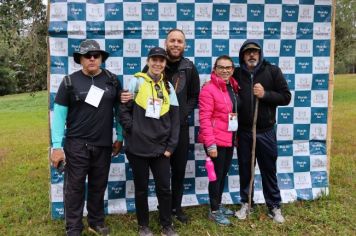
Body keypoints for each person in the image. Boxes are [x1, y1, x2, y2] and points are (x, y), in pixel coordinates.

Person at [121, 29, 200, 223]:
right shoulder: (150, 68)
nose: (175, 44)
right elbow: (134, 96)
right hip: (150, 132)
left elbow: (193, 97)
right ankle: (158, 212)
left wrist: (179, 117)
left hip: (177, 127)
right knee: (155, 175)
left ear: (184, 45)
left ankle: (176, 208)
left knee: (178, 170)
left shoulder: (189, 67)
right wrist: (133, 125)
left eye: (179, 41)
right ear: (166, 44)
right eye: (172, 40)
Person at [50, 39, 123, 236]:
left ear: (101, 58)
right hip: (77, 145)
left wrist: (120, 137)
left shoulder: (113, 80)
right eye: (87, 56)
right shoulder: (69, 82)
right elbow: (58, 116)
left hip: (104, 144)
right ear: (80, 59)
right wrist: (56, 146)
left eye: (95, 55)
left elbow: (119, 112)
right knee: (74, 189)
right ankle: (73, 227)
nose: (92, 58)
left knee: (99, 186)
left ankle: (96, 222)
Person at [119, 47, 180, 236]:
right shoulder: (136, 81)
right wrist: (133, 129)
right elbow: (123, 110)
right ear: (148, 61)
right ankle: (143, 226)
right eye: (154, 60)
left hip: (161, 148)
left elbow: (176, 120)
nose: (157, 63)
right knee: (141, 189)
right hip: (138, 147)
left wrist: (170, 146)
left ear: (165, 64)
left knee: (164, 188)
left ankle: (166, 225)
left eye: (161, 61)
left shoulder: (168, 87)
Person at [233, 40, 291, 223]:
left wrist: (265, 94)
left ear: (260, 54)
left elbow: (286, 97)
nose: (252, 55)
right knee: (245, 170)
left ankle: (274, 206)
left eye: (255, 52)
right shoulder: (236, 74)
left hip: (266, 131)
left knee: (268, 170)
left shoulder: (272, 71)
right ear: (243, 55)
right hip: (244, 132)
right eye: (248, 52)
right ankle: (246, 203)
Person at [198, 55, 241, 226]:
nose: (224, 70)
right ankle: (214, 211)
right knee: (215, 177)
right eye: (221, 67)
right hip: (215, 140)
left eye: (228, 67)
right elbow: (204, 118)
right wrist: (210, 143)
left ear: (232, 69)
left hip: (229, 138)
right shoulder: (208, 89)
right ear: (215, 69)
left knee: (223, 174)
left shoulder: (232, 86)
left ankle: (218, 204)